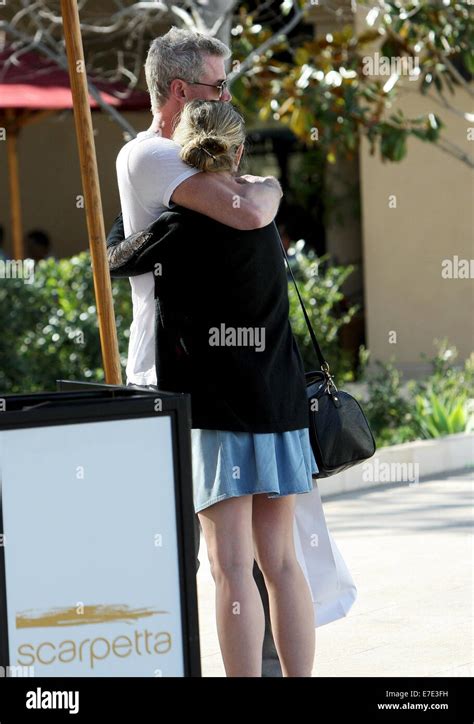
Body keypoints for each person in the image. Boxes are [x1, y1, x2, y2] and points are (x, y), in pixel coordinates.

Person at [109, 99, 317, 677]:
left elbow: (117, 258)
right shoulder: (266, 213)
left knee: (230, 568)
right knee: (282, 563)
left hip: (217, 413)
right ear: (239, 150)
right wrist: (262, 184)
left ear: (184, 156)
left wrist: (121, 219)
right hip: (280, 405)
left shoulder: (177, 227)